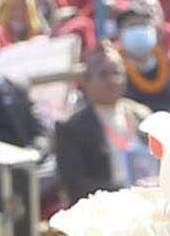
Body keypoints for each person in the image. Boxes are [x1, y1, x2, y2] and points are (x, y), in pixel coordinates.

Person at [52, 45, 151, 201]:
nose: (112, 80)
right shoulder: (71, 128)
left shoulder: (142, 115)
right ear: (86, 81)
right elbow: (75, 184)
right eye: (103, 74)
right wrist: (123, 191)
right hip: (106, 207)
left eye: (116, 73)